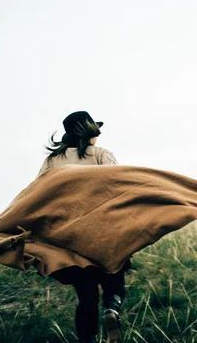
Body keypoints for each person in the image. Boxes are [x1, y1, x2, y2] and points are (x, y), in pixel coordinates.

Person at [38, 111, 124, 343]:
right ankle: (111, 309)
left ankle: (87, 339)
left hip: (70, 236)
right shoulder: (102, 155)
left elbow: (38, 194)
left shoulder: (52, 161)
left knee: (86, 297)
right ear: (90, 131)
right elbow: (117, 187)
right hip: (103, 230)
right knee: (113, 276)